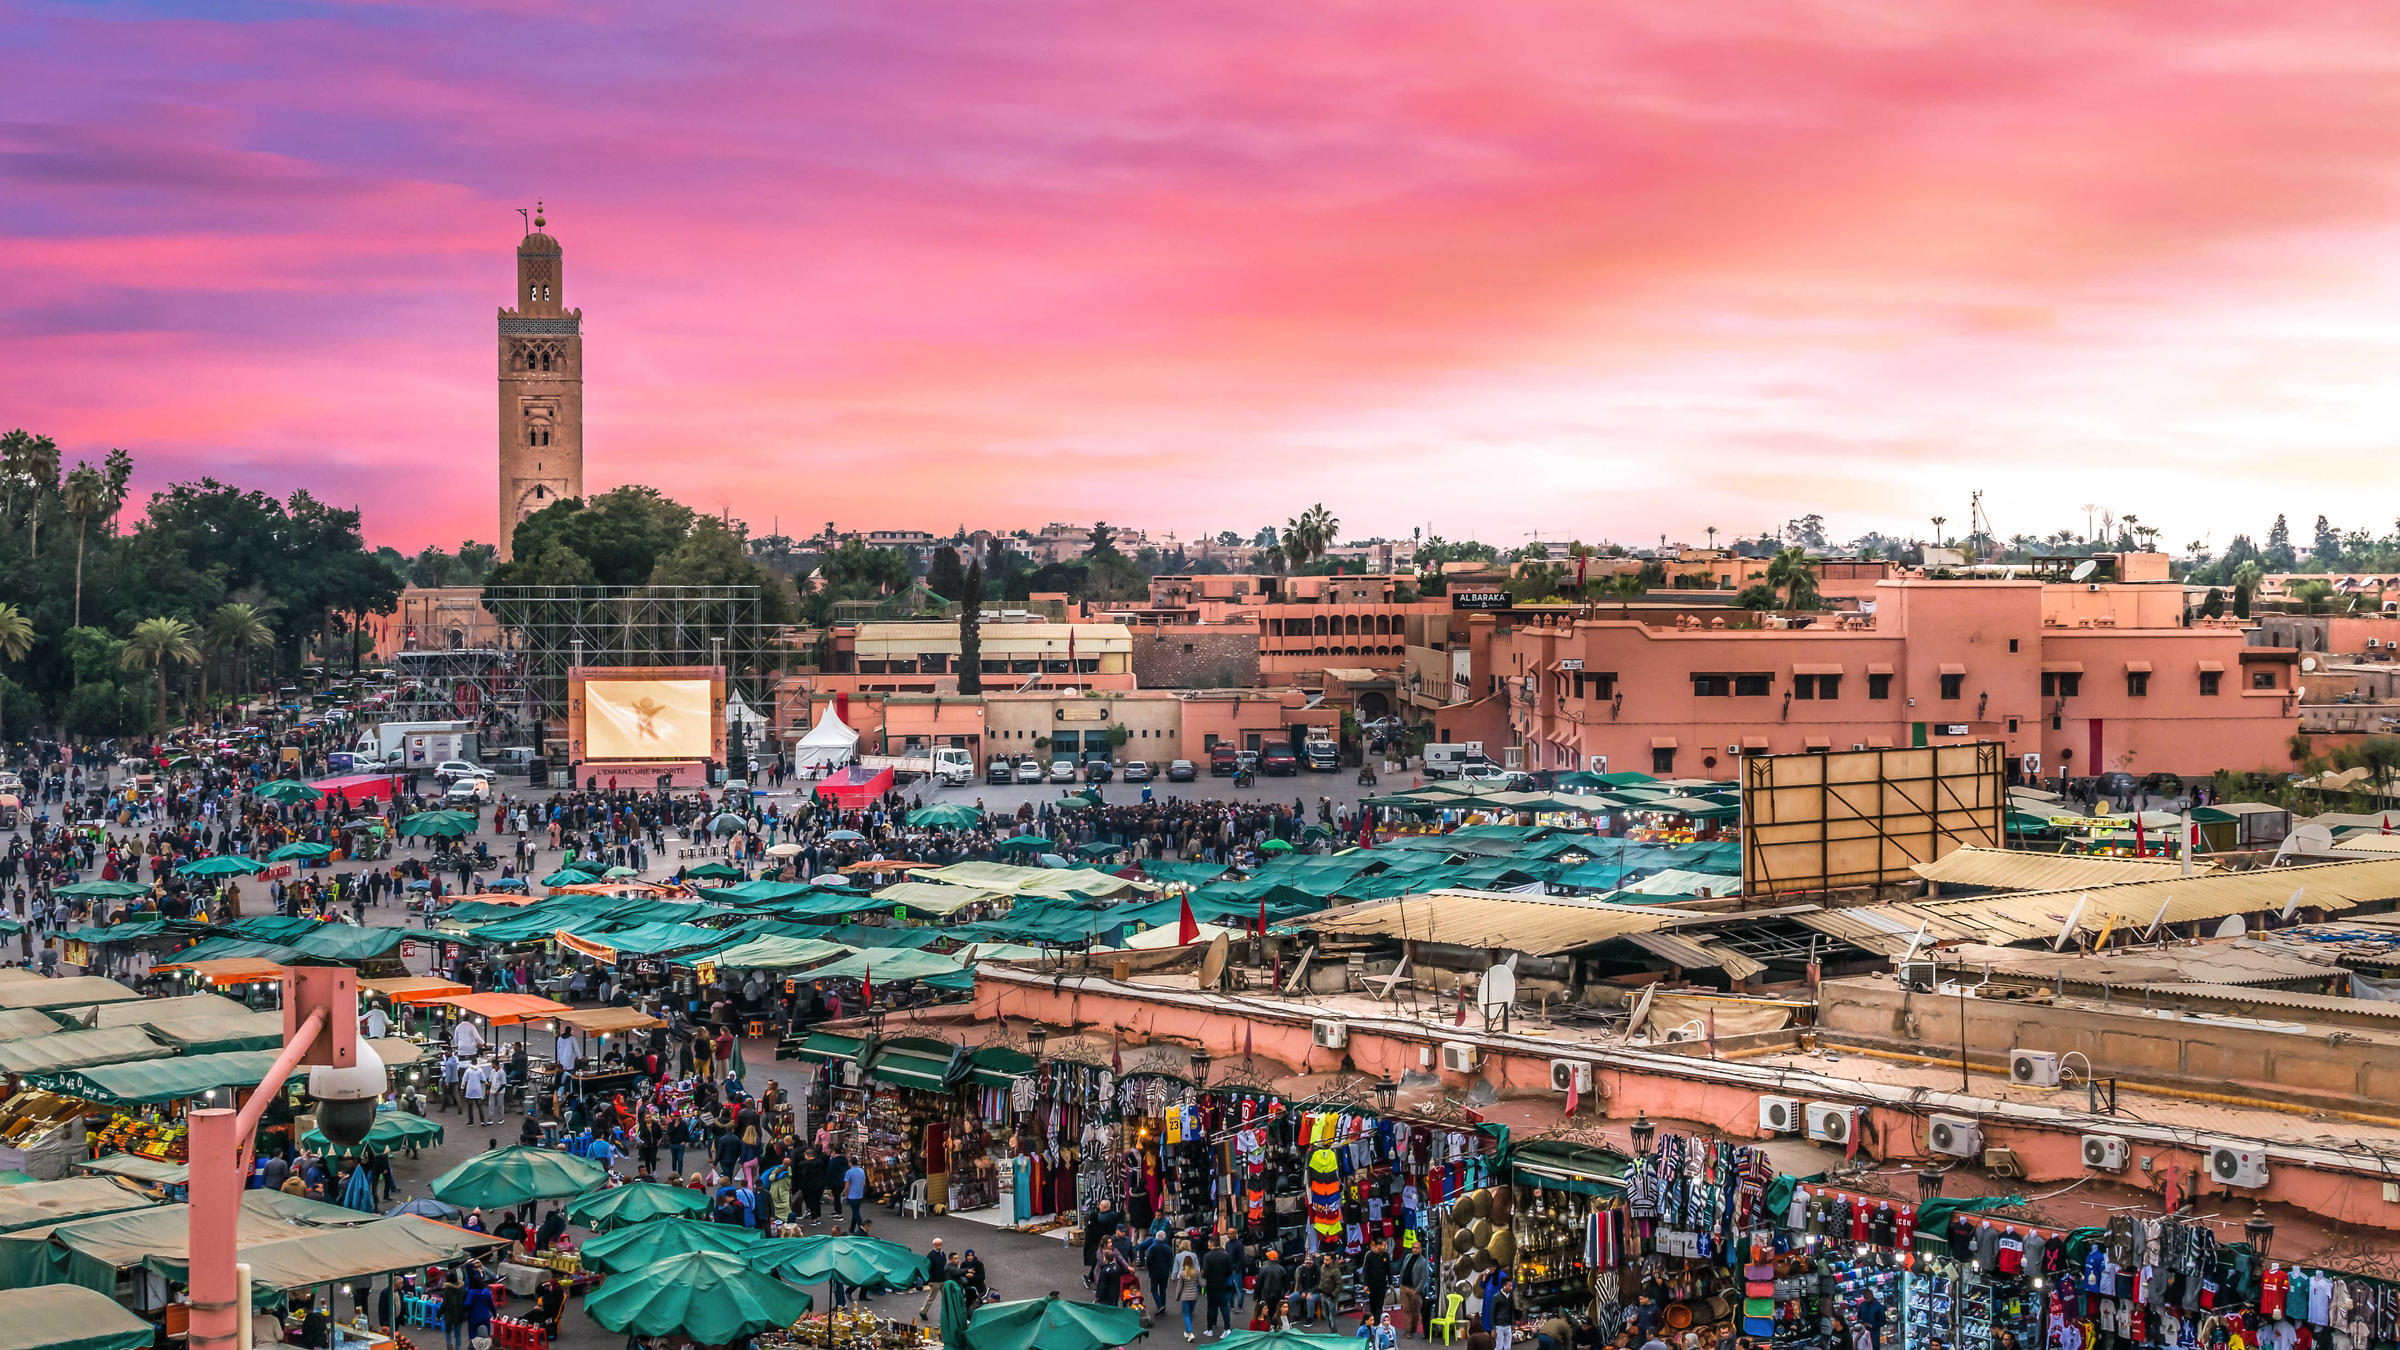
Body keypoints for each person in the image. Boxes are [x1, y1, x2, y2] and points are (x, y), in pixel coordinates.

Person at [1200, 1238, 1235, 1338]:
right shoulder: (1226, 1255)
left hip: (1211, 1286)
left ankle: (1209, 1329)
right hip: (1223, 1284)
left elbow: (1205, 1273)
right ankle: (1227, 1328)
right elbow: (1229, 1270)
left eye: (1208, 1243)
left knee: (1211, 1307)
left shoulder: (1207, 1256)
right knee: (1224, 1307)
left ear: (1211, 1243)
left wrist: (1204, 1274)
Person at [1171, 1249, 1205, 1343]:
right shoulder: (1196, 1273)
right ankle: (1186, 1331)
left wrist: (1177, 1297)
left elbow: (1179, 1287)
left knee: (1185, 1314)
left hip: (1185, 1296)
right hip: (1194, 1296)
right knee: (1190, 1314)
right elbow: (1201, 1283)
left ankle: (1190, 1332)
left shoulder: (1182, 1274)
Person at [1361, 1235, 1391, 1327]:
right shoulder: (1369, 1255)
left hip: (1382, 1284)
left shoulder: (1386, 1255)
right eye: (1384, 1245)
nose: (1385, 1247)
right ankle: (1372, 1321)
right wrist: (1365, 1284)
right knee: (1373, 1303)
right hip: (1371, 1284)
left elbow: (1388, 1270)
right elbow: (1365, 1270)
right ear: (1378, 1245)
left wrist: (1391, 1282)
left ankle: (1377, 1322)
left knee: (1380, 1304)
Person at [842, 1155, 868, 1233]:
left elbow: (847, 1186)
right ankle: (852, 1228)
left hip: (852, 1195)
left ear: (850, 1163)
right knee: (855, 1210)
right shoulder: (861, 1171)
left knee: (856, 1212)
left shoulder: (849, 1172)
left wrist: (845, 1193)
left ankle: (862, 1229)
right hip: (859, 1194)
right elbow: (863, 1183)